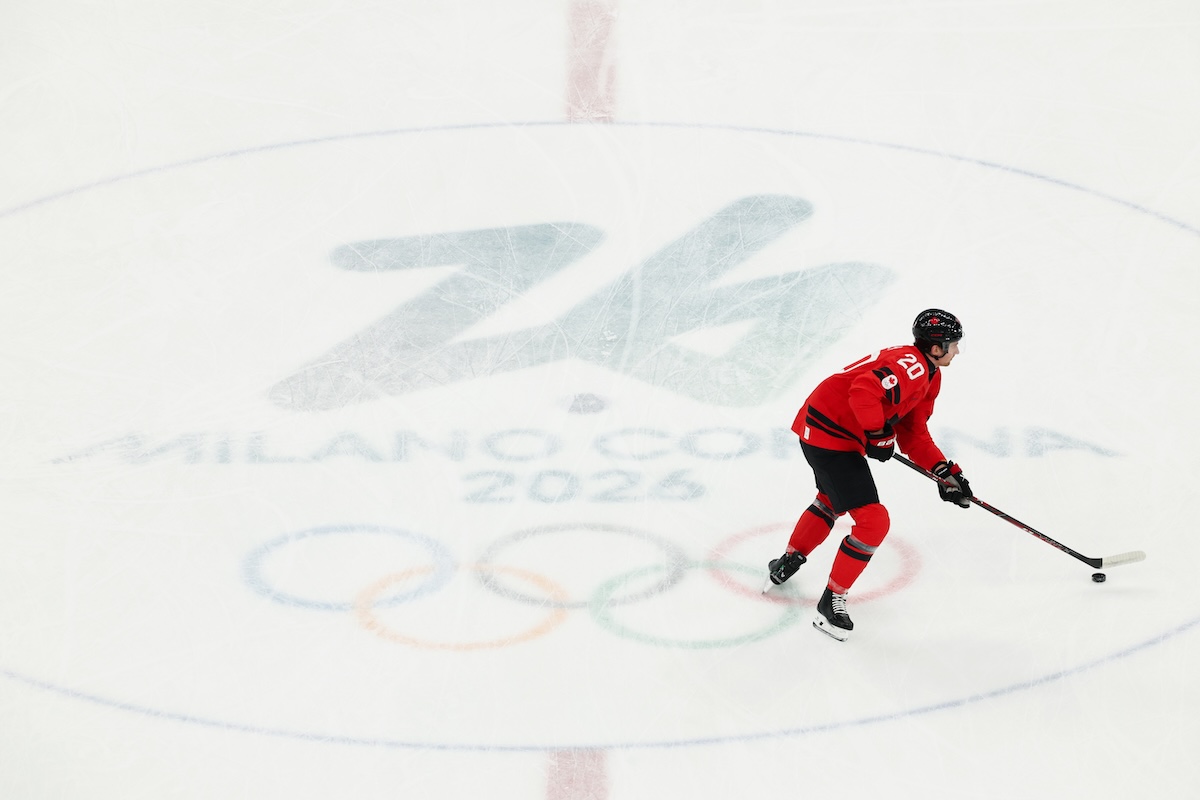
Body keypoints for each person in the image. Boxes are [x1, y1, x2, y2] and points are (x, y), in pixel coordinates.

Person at [763, 309, 973, 641]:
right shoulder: (913, 366)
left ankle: (786, 562)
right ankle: (831, 601)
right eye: (953, 344)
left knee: (831, 499)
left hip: (829, 429)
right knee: (874, 522)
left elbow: (913, 433)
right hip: (829, 434)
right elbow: (863, 391)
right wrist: (877, 433)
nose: (957, 351)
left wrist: (942, 471)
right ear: (936, 348)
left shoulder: (929, 375)